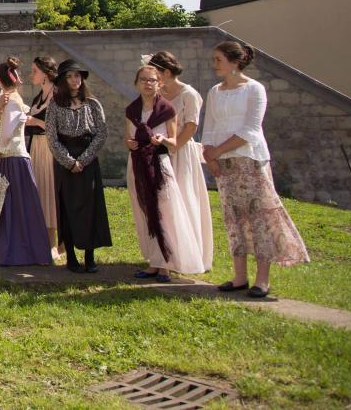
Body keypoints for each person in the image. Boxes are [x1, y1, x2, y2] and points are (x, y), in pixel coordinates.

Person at [203, 41, 308, 298]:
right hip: (224, 164)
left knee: (258, 218)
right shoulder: (215, 91)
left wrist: (218, 150)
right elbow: (209, 125)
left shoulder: (254, 89)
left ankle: (262, 280)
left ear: (234, 61)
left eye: (218, 59)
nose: (214, 64)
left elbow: (251, 129)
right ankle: (239, 276)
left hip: (250, 161)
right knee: (234, 218)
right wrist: (209, 155)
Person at [125, 65, 208, 279]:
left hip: (159, 163)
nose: (147, 83)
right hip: (137, 164)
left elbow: (173, 141)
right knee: (145, 212)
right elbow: (128, 138)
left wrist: (162, 140)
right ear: (136, 83)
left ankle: (167, 263)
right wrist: (130, 143)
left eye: (152, 80)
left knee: (165, 213)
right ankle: (154, 260)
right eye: (143, 79)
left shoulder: (167, 109)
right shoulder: (132, 110)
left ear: (159, 83)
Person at [0, 58, 52, 266]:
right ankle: (8, 247)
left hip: (13, 157)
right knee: (12, 205)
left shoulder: (12, 100)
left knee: (17, 206)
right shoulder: (10, 98)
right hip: (11, 156)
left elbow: (7, 132)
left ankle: (20, 251)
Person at [149, 50, 213, 273]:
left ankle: (185, 255)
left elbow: (192, 125)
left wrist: (174, 144)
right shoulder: (159, 94)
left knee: (183, 200)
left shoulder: (189, 94)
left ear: (166, 72)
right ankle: (162, 255)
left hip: (181, 152)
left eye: (156, 74)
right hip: (161, 152)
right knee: (162, 204)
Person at [45, 60, 112, 273]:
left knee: (90, 206)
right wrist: (68, 161)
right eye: (70, 76)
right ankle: (71, 255)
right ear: (63, 80)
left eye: (77, 76)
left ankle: (90, 255)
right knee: (67, 206)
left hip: (88, 160)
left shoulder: (92, 104)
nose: (75, 80)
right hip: (65, 160)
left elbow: (101, 133)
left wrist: (83, 160)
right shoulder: (55, 105)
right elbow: (51, 137)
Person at [25, 55, 61, 261]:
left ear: (46, 75)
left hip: (51, 147)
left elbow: (61, 124)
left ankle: (55, 243)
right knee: (42, 191)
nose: (32, 75)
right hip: (37, 147)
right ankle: (44, 240)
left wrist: (35, 122)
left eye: (35, 71)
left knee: (51, 191)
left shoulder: (57, 95)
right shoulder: (39, 96)